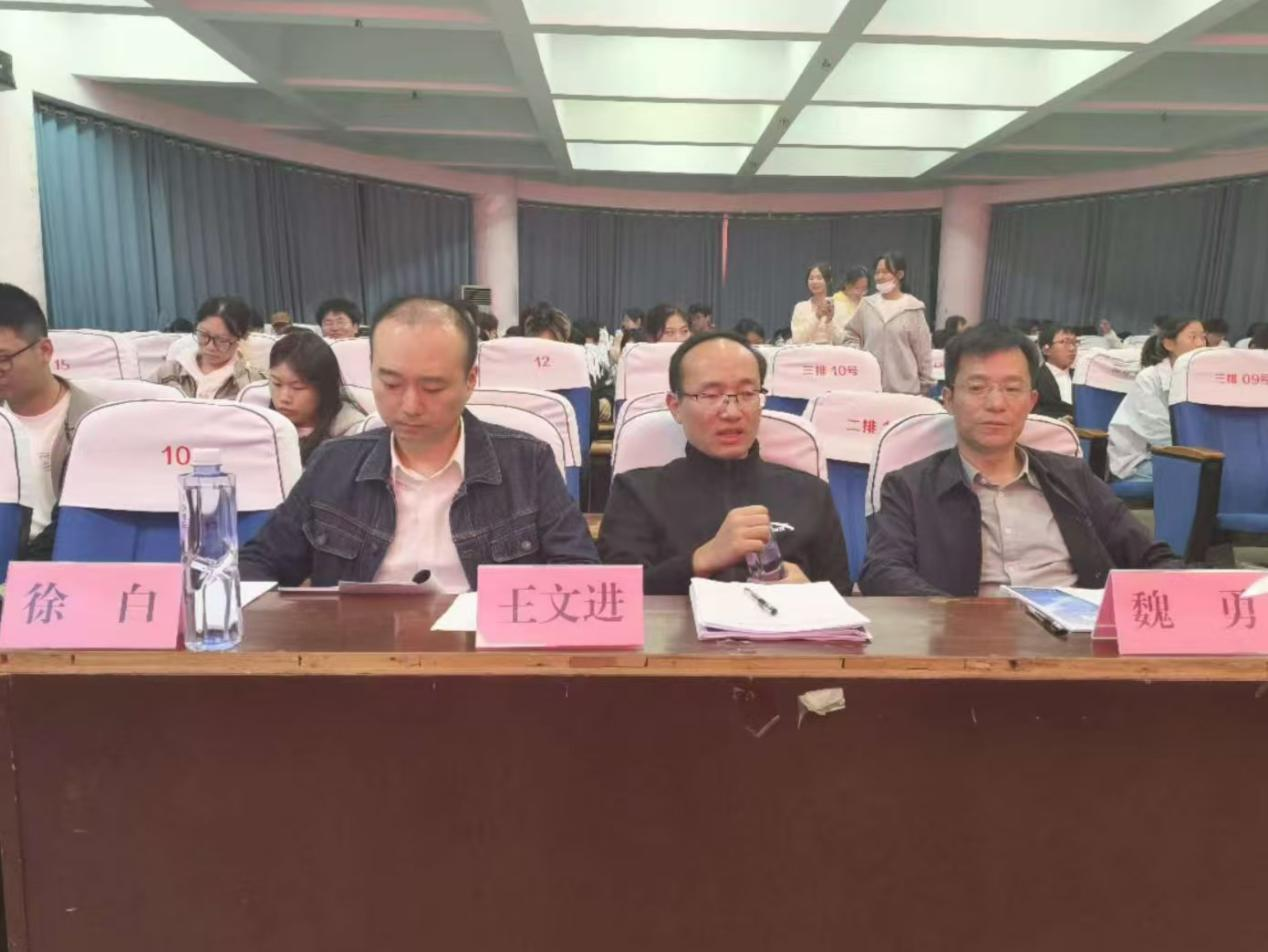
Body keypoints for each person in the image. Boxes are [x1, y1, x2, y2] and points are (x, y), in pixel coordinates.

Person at [240, 298, 597, 588]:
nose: (410, 406)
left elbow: (580, 575)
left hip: (484, 651)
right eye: (391, 384)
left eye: (432, 387)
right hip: (360, 651)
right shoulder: (333, 464)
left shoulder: (528, 463)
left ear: (470, 380)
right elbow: (259, 563)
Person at [859, 324, 1177, 597]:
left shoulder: (1072, 476)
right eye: (977, 388)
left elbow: (1151, 556)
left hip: (1077, 638)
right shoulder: (909, 486)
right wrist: (953, 618)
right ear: (949, 400)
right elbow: (884, 571)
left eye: (1012, 389)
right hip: (966, 640)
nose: (996, 403)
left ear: (1031, 401)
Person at [598, 331, 851, 595]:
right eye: (710, 395)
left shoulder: (810, 494)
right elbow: (615, 594)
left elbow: (844, 598)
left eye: (747, 393)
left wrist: (813, 594)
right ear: (675, 406)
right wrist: (700, 561)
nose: (732, 412)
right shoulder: (637, 493)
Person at [0, 284, 109, 556]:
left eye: (3, 359)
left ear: (45, 351)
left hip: (59, 563)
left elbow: (86, 527)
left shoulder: (97, 423)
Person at [1108, 316, 1207, 482]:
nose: (1200, 344)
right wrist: (1200, 454)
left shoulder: (1199, 378)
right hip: (1141, 459)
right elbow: (1159, 432)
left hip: (1185, 455)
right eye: (1193, 337)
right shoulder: (1149, 378)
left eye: (1203, 337)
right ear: (1169, 344)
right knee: (1203, 478)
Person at [267, 331, 366, 464]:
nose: (284, 397)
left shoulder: (351, 433)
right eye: (277, 384)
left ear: (324, 388)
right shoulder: (259, 421)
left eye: (297, 387)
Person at [843, 251, 934, 395]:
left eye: (885, 272)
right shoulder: (867, 305)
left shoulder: (913, 309)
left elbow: (923, 352)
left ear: (900, 274)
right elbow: (850, 335)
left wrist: (925, 385)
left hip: (905, 392)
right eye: (877, 272)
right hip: (870, 389)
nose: (879, 277)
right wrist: (861, 355)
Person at [148, 296, 264, 399]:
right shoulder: (170, 372)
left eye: (222, 340)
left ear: (241, 338)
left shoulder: (250, 384)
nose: (210, 346)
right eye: (204, 335)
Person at [790, 262, 845, 345]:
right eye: (811, 278)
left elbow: (841, 341)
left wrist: (830, 320)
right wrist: (816, 316)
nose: (814, 282)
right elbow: (797, 339)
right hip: (806, 351)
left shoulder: (839, 306)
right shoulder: (800, 307)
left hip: (830, 351)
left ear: (828, 280)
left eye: (819, 278)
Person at [1034, 325, 1078, 420]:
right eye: (1064, 342)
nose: (1072, 348)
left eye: (1074, 343)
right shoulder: (1034, 378)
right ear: (1046, 350)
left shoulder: (1080, 377)